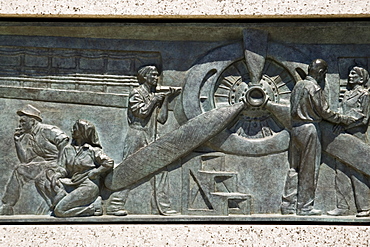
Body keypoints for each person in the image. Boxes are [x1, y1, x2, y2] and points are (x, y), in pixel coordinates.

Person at [281, 59, 357, 216]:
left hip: (295, 129)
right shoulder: (314, 88)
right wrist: (343, 119)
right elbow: (325, 112)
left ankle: (288, 205)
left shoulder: (298, 86)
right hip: (309, 130)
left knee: (294, 168)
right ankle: (304, 207)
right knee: (309, 169)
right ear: (322, 73)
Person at [106, 65, 180, 216]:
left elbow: (162, 119)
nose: (156, 78)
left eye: (157, 75)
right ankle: (114, 205)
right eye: (153, 75)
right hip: (137, 135)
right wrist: (154, 100)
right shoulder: (136, 93)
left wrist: (165, 99)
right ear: (145, 76)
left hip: (152, 135)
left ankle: (162, 207)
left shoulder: (153, 95)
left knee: (161, 168)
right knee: (129, 169)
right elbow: (141, 113)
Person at [0, 104, 69, 215]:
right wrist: (17, 142)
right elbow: (25, 161)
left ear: (32, 122)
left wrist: (61, 164)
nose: (20, 124)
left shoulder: (47, 130)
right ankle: (7, 205)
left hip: (60, 163)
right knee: (20, 170)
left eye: (23, 121)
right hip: (48, 164)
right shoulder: (32, 138)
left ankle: (58, 203)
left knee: (40, 176)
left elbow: (64, 142)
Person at [327, 66, 370, 217]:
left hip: (356, 136)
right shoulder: (347, 93)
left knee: (357, 172)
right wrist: (339, 120)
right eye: (350, 73)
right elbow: (340, 110)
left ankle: (364, 207)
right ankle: (342, 206)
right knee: (340, 170)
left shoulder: (365, 94)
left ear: (362, 77)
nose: (350, 76)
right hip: (343, 134)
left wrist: (343, 122)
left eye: (354, 73)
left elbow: (363, 117)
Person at [53, 120, 113, 217]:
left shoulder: (93, 150)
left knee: (59, 211)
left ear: (82, 132)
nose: (72, 130)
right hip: (71, 183)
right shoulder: (67, 149)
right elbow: (63, 168)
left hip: (88, 186)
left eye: (75, 128)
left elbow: (109, 162)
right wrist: (58, 175)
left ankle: (92, 208)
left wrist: (95, 172)